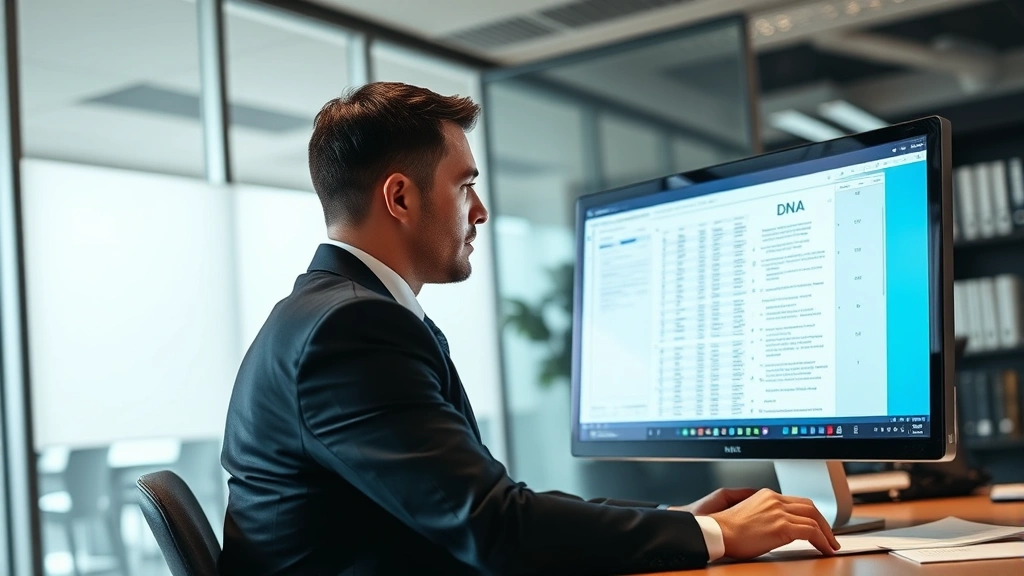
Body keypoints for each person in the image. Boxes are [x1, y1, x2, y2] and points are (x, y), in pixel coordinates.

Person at [219, 81, 840, 575]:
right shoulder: (351, 328)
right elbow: (495, 529)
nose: (481, 211)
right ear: (400, 197)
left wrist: (678, 520)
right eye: (465, 186)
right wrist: (712, 534)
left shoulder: (329, 314)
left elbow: (488, 505)